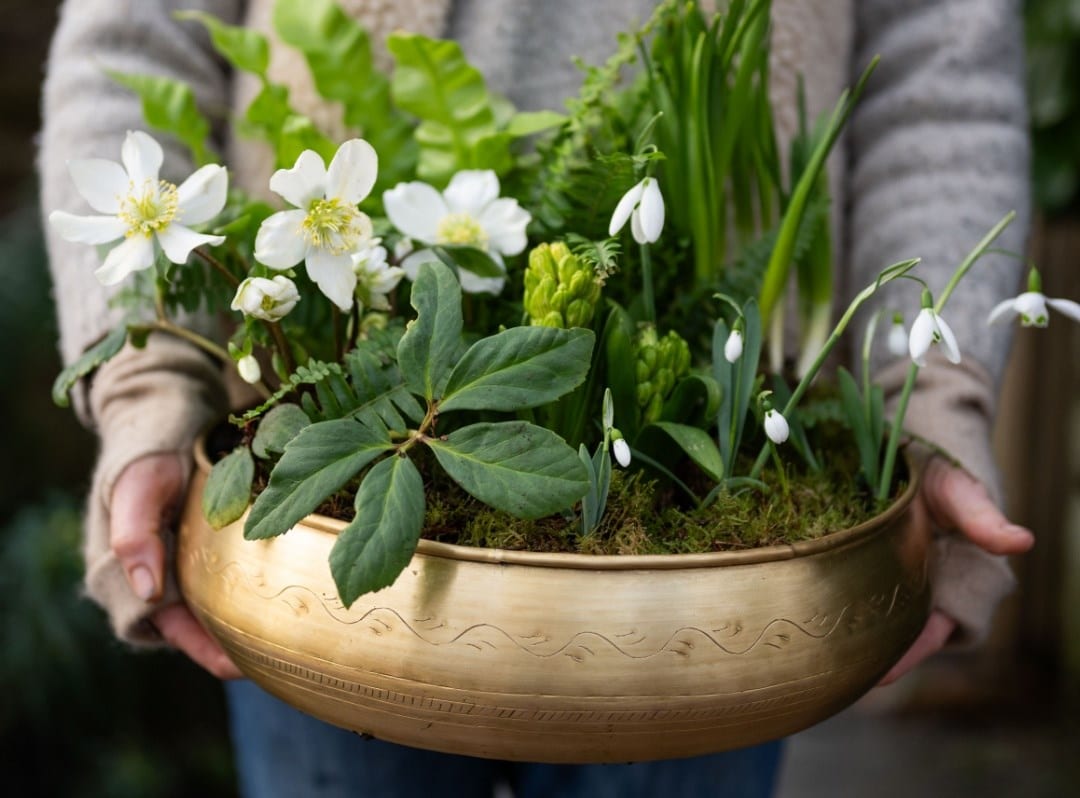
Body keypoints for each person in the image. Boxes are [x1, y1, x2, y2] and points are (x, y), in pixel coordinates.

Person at [39, 0, 1035, 795]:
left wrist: (927, 404)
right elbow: (134, 38)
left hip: (707, 563)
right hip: (310, 519)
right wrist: (148, 393)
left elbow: (940, 71)